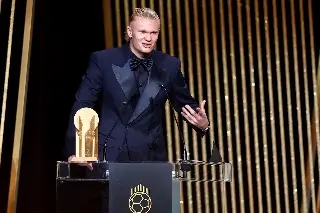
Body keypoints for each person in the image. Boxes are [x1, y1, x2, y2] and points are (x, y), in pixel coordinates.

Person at [65, 7, 210, 165]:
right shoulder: (103, 60)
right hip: (110, 157)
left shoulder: (169, 65)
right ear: (130, 32)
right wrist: (76, 151)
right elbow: (83, 104)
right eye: (142, 32)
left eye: (153, 33)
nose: (148, 38)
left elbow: (185, 104)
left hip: (151, 159)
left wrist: (203, 125)